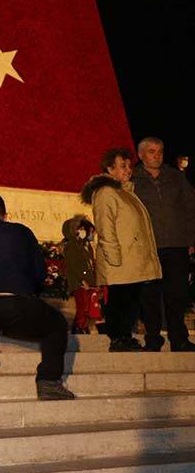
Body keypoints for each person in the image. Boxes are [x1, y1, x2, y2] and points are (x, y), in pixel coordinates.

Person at [0, 193, 76, 398]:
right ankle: (48, 381)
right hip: (17, 306)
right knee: (57, 325)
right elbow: (40, 273)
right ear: (5, 215)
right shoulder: (22, 232)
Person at [81, 147, 162, 352]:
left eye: (129, 166)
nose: (128, 170)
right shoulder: (106, 193)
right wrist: (114, 257)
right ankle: (118, 338)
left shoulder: (126, 192)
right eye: (122, 166)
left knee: (130, 301)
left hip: (131, 260)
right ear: (110, 169)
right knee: (120, 300)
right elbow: (105, 226)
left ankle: (124, 337)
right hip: (120, 260)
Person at [130, 137, 195, 352]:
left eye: (160, 151)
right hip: (147, 248)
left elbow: (190, 207)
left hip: (176, 245)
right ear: (140, 155)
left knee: (177, 294)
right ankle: (152, 338)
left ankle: (179, 339)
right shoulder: (132, 179)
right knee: (149, 297)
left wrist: (191, 239)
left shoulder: (176, 177)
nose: (157, 156)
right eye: (151, 151)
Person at [62, 215, 103, 334]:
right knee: (82, 305)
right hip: (78, 282)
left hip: (88, 282)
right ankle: (79, 326)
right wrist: (82, 280)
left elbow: (89, 265)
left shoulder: (87, 247)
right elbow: (74, 265)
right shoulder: (72, 246)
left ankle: (83, 325)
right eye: (89, 232)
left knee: (87, 306)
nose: (91, 235)